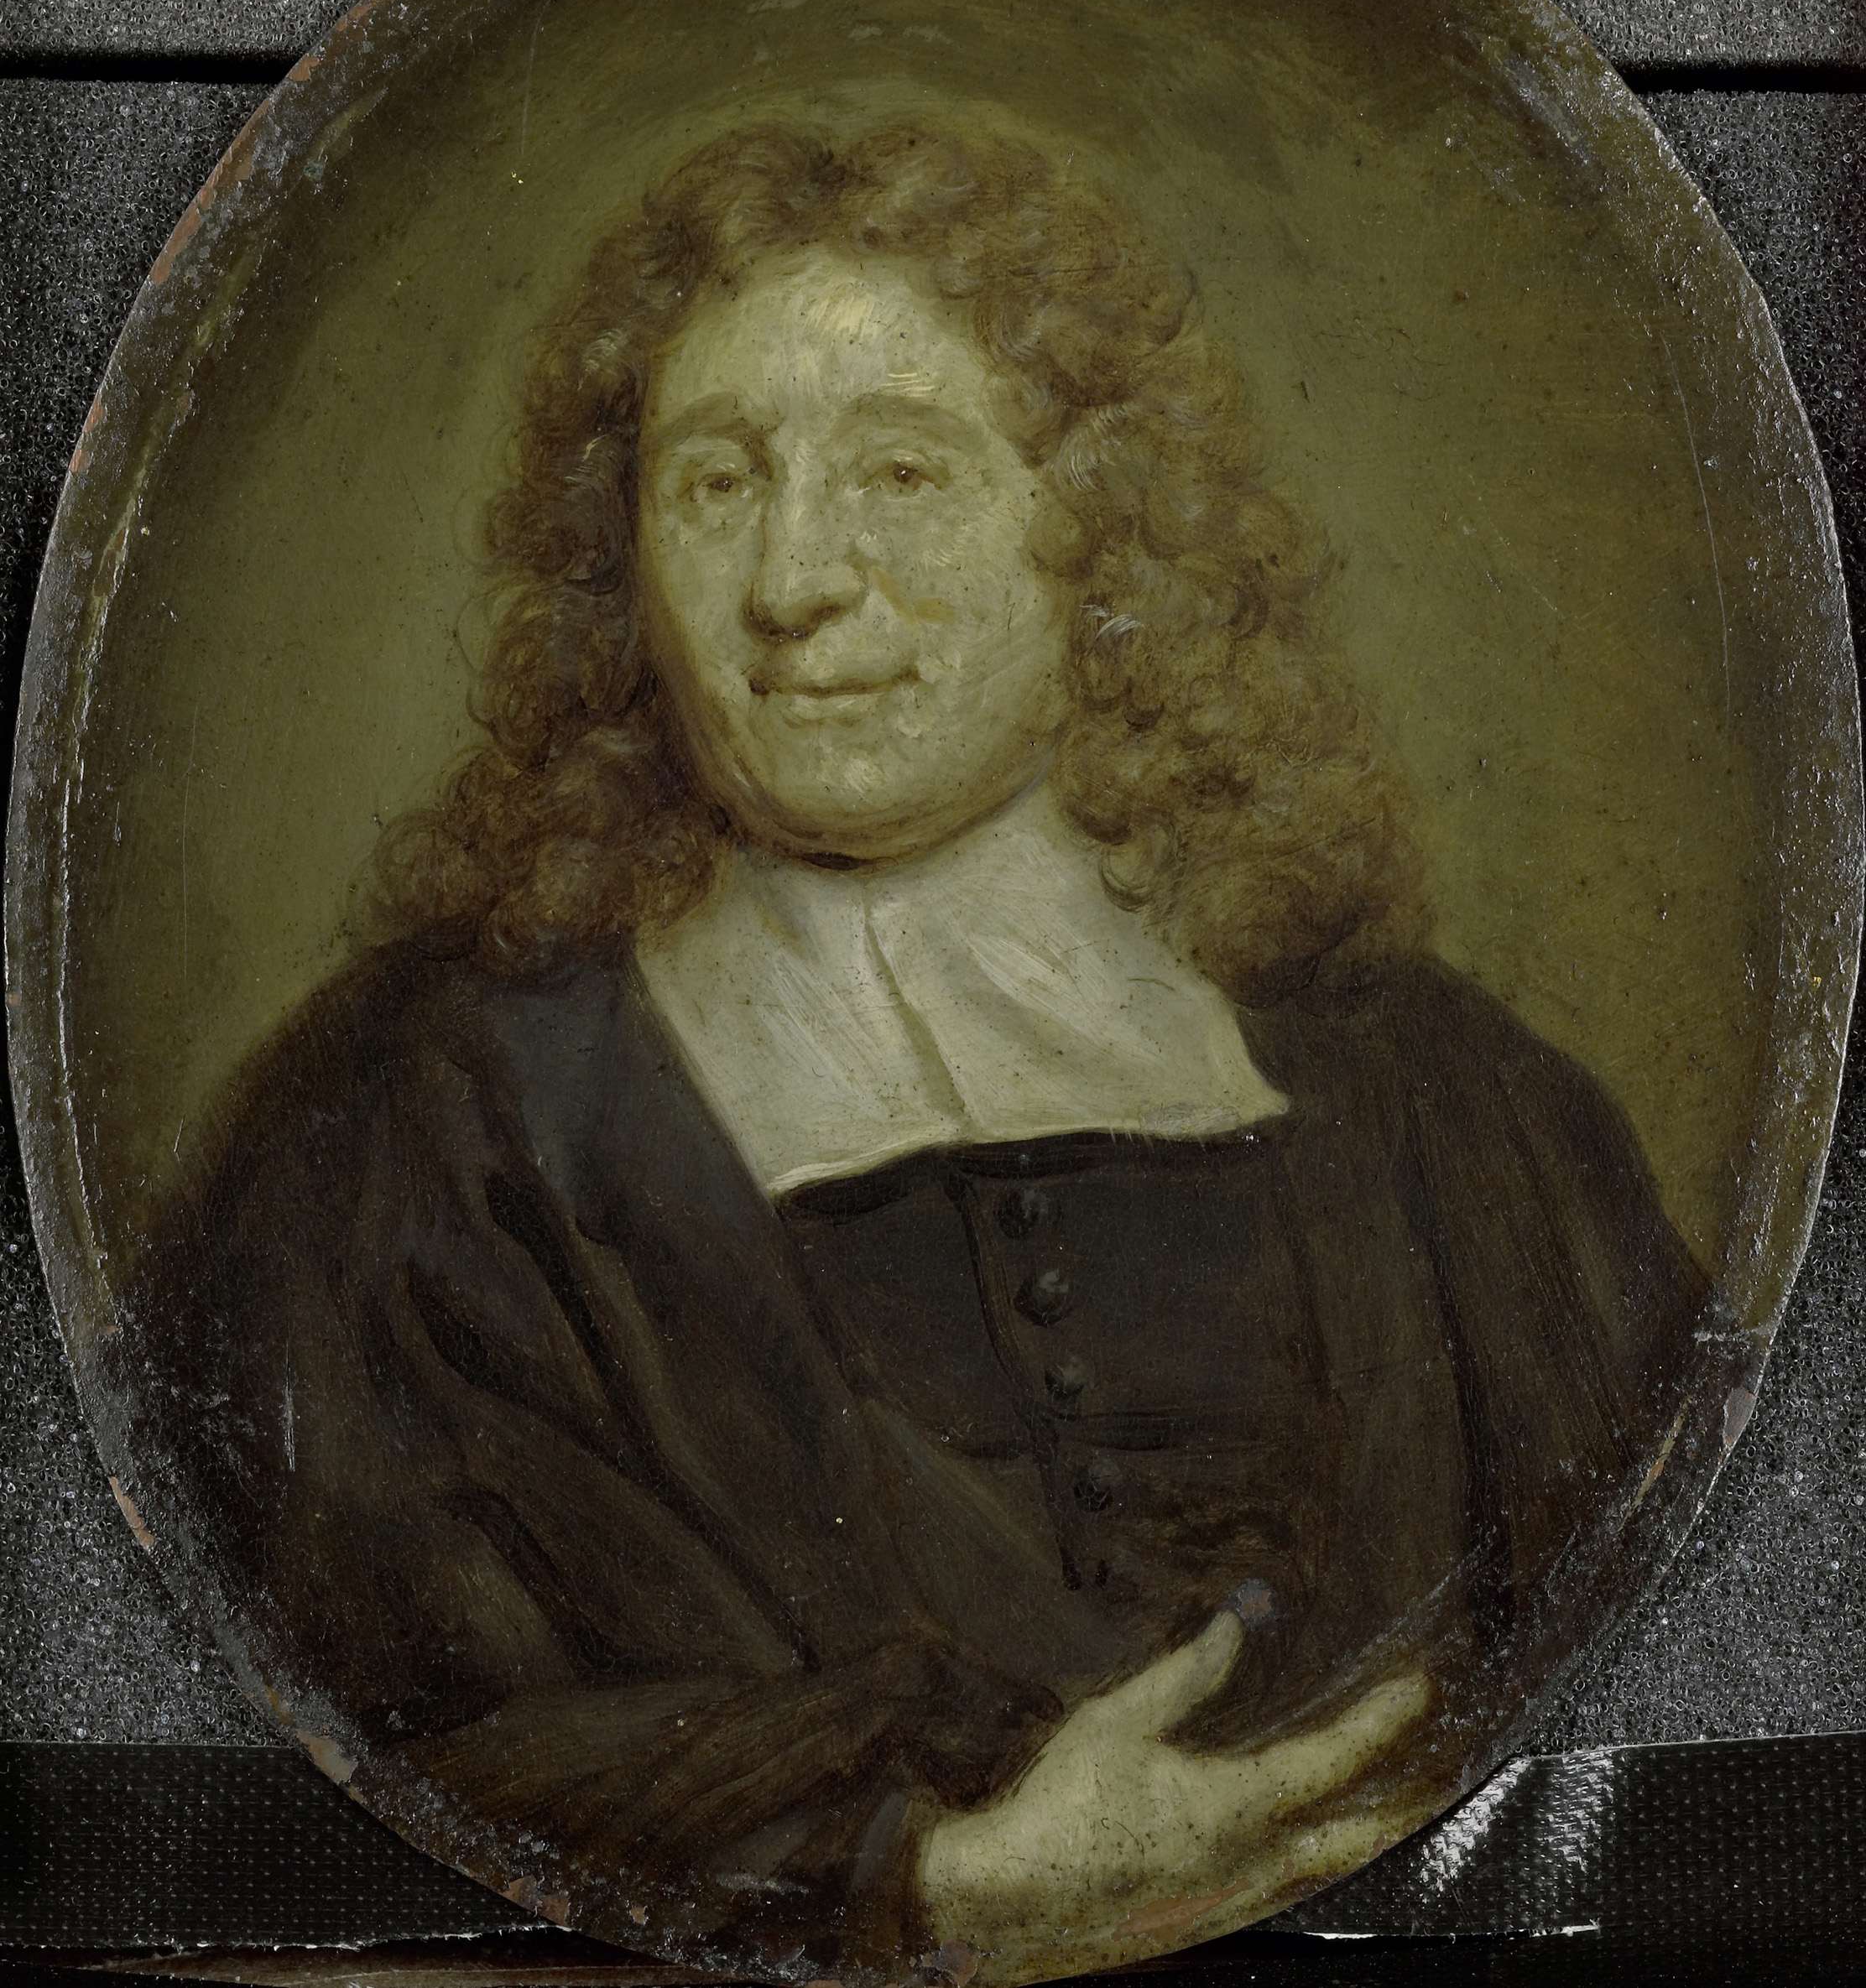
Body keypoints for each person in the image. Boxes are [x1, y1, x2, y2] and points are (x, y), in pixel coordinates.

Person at [122, 120, 1720, 1980]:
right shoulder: (408, 1126)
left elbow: (1680, 1703)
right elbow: (272, 1792)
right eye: (716, 483)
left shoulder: (1447, 1104)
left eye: (899, 469)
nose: (793, 580)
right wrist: (919, 1892)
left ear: (1101, 524)